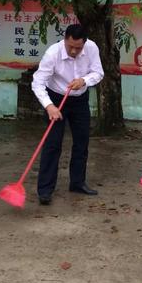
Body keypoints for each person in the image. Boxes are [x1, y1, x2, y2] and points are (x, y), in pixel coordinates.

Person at [32, 23, 104, 204]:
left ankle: (77, 183)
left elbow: (98, 72)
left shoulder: (92, 48)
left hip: (79, 99)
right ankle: (45, 190)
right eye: (70, 46)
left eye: (78, 48)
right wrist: (49, 106)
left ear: (84, 43)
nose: (73, 51)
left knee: (82, 142)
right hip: (56, 99)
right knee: (52, 144)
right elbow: (37, 82)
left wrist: (84, 80)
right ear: (65, 40)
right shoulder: (52, 53)